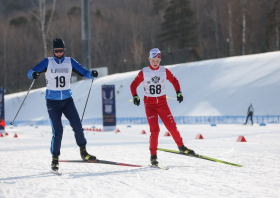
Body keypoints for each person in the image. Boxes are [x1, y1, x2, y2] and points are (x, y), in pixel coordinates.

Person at [27, 38, 98, 171]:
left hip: (67, 100)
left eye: (61, 51)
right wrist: (34, 74)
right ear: (53, 51)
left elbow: (84, 72)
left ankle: (84, 152)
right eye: (56, 51)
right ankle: (55, 159)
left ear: (64, 50)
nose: (58, 53)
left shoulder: (70, 61)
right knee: (58, 130)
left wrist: (91, 73)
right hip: (52, 102)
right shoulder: (47, 61)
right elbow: (30, 72)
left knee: (77, 126)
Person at [130, 48, 195, 166]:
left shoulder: (164, 71)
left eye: (157, 60)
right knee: (155, 130)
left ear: (160, 60)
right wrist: (135, 96)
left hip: (162, 103)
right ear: (149, 60)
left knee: (172, 127)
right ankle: (153, 156)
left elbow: (174, 81)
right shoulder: (144, 72)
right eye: (153, 60)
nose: (155, 63)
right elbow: (133, 85)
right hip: (149, 105)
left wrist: (178, 92)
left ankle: (181, 147)